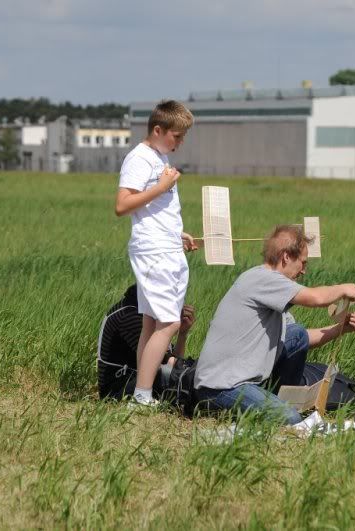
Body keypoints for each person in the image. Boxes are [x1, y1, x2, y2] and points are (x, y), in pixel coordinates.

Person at [194, 225, 355, 425]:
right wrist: (344, 288)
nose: (304, 270)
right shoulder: (263, 279)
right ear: (286, 257)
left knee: (297, 334)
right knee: (289, 418)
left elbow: (302, 338)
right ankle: (281, 407)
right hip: (220, 388)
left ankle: (283, 400)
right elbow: (315, 298)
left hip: (240, 381)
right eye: (303, 262)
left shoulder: (271, 290)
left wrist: (340, 328)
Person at [114, 100, 197, 406]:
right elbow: (122, 205)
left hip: (164, 245)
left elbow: (154, 211)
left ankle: (144, 391)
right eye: (177, 135)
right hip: (154, 251)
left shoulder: (158, 157)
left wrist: (177, 234)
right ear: (158, 130)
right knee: (170, 323)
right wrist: (161, 187)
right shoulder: (140, 158)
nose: (180, 142)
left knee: (152, 324)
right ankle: (142, 395)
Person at [97, 285, 196, 401]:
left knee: (185, 378)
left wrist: (182, 334)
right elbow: (169, 364)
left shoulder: (146, 312)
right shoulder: (129, 315)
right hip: (117, 392)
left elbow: (173, 363)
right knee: (189, 381)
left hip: (135, 381)